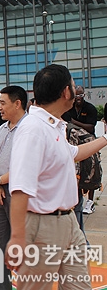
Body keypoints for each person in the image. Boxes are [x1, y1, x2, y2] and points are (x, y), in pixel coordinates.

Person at [5, 64, 107, 289]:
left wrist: (106, 138)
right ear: (66, 92)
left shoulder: (53, 126)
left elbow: (74, 153)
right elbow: (20, 186)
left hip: (68, 222)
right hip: (42, 227)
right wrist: (18, 238)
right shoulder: (33, 129)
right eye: (72, 84)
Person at [0, 86, 27, 290]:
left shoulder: (29, 129)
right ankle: (0, 286)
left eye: (3, 103)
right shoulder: (3, 128)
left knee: (22, 246)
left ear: (17, 103)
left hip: (18, 191)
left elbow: (26, 166)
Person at [62, 85, 99, 215]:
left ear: (84, 95)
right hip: (73, 142)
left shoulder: (90, 108)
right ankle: (77, 197)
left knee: (91, 169)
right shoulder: (69, 108)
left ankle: (90, 201)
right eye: (76, 95)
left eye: (80, 95)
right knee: (76, 171)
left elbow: (90, 128)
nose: (78, 98)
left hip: (88, 141)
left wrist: (74, 122)